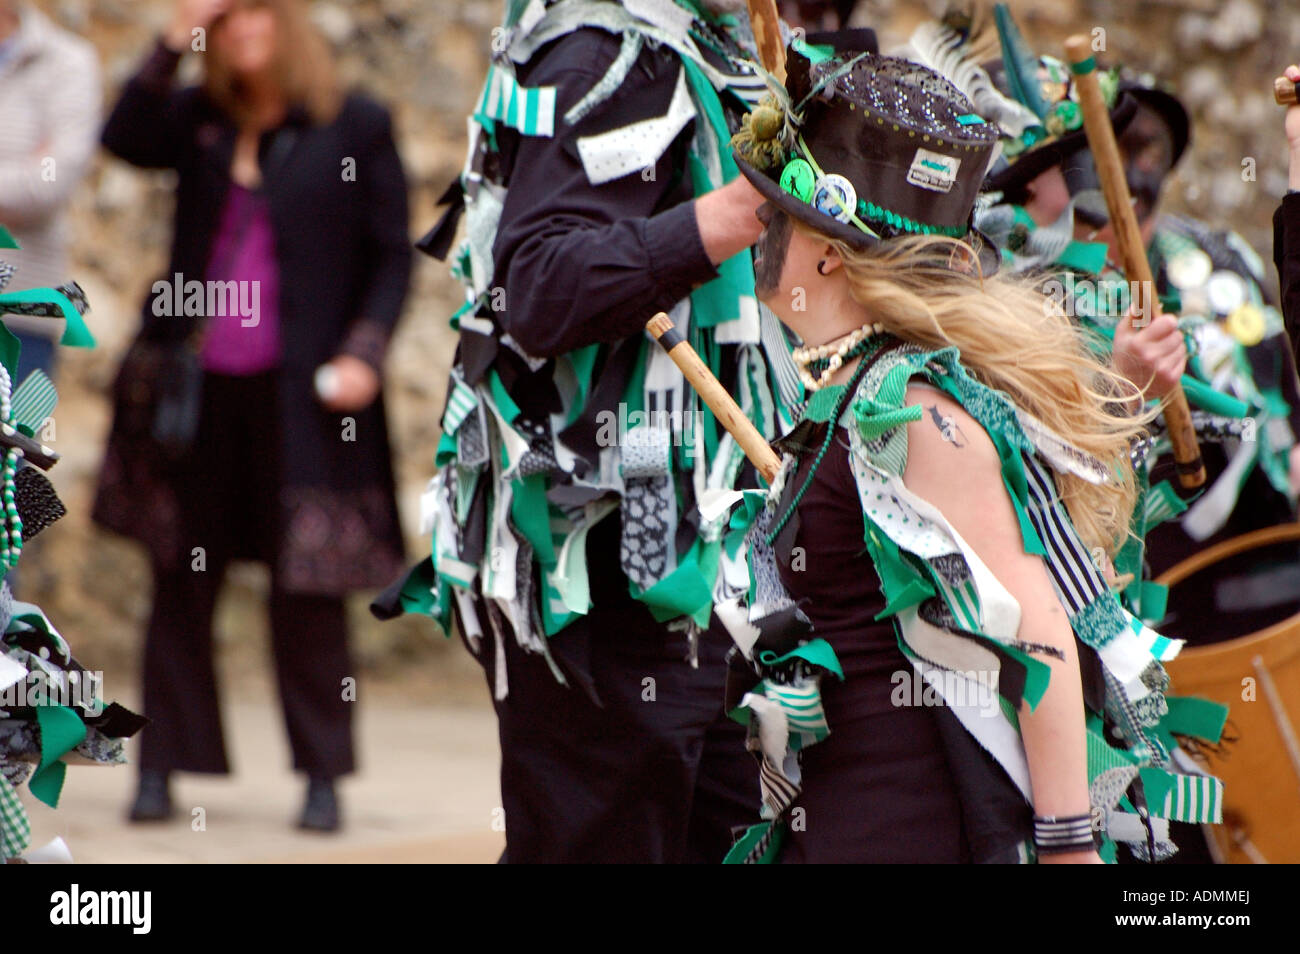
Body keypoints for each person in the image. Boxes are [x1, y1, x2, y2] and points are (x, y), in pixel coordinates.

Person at [717, 46, 1225, 863]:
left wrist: (1066, 848)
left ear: (827, 251)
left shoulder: (911, 411)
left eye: (775, 210)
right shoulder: (850, 393)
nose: (756, 226)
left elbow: (1040, 632)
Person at [373, 1, 827, 862]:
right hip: (602, 553)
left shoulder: (718, 48)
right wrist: (720, 220)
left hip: (718, 555)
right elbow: (536, 289)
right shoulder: (606, 53)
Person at [92, 0, 412, 832]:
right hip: (196, 398)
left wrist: (365, 354)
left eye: (255, 19)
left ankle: (321, 779)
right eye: (225, 27)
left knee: (305, 591)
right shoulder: (197, 120)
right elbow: (124, 135)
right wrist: (173, 35)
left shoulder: (355, 127)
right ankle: (159, 768)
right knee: (179, 580)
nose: (241, 37)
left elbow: (390, 256)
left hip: (303, 401)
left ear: (289, 29)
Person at [0, 0, 100, 385]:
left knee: (14, 444)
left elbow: (47, 185)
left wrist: (35, 178)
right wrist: (20, 172)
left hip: (20, 324)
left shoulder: (68, 63)